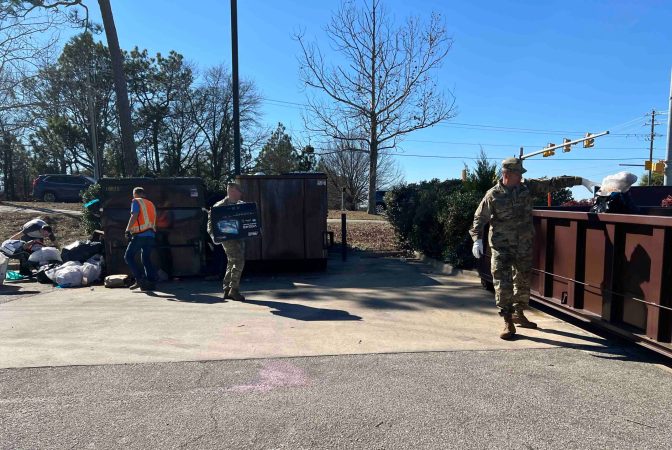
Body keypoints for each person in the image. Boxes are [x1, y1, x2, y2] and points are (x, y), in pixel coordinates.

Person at [470, 157, 594, 340]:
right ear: (507, 174)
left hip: (524, 245)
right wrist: (477, 239)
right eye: (518, 173)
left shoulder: (527, 187)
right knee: (502, 283)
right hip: (501, 246)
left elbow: (553, 183)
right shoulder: (493, 195)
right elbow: (479, 219)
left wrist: (580, 181)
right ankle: (507, 321)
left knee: (522, 281)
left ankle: (519, 314)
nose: (521, 177)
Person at [209, 183, 246, 301]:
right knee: (239, 261)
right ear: (232, 192)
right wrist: (213, 235)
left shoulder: (241, 205)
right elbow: (210, 223)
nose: (240, 193)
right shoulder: (219, 206)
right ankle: (234, 290)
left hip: (239, 238)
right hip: (228, 238)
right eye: (238, 191)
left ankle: (226, 289)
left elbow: (250, 218)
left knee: (232, 262)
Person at [124, 187, 157, 291]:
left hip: (140, 235)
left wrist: (128, 230)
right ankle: (151, 282)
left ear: (136, 194)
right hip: (151, 235)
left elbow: (134, 215)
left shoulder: (136, 201)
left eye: (133, 194)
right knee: (146, 258)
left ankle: (139, 280)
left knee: (128, 257)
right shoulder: (150, 204)